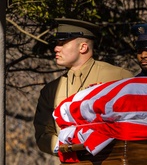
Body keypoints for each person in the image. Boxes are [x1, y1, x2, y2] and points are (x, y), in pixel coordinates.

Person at [33, 18, 133, 156]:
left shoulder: (118, 77)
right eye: (57, 43)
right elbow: (43, 134)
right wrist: (66, 146)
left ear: (83, 47)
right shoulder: (51, 90)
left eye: (62, 43)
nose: (56, 48)